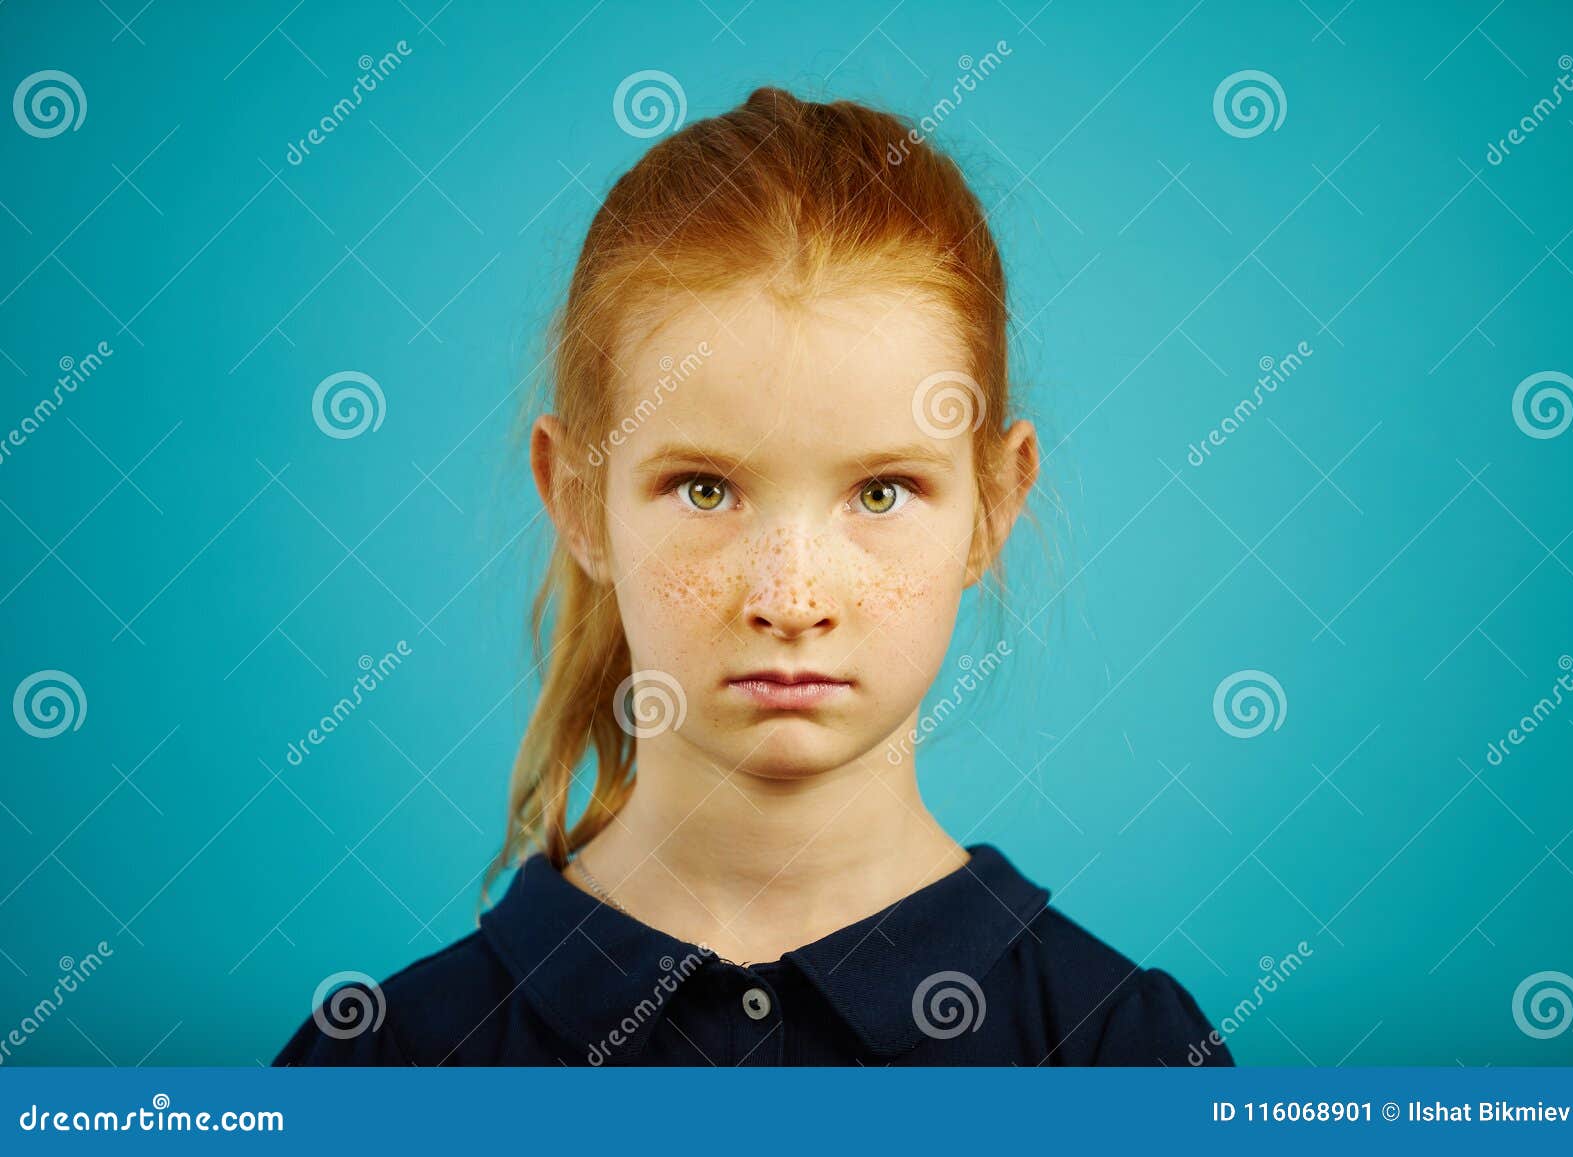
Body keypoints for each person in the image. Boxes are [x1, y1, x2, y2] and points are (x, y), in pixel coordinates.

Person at [274, 85, 1233, 1067]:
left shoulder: (1119, 1051)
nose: (789, 598)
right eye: (703, 489)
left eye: (881, 492)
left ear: (991, 504)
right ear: (574, 497)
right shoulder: (388, 1061)